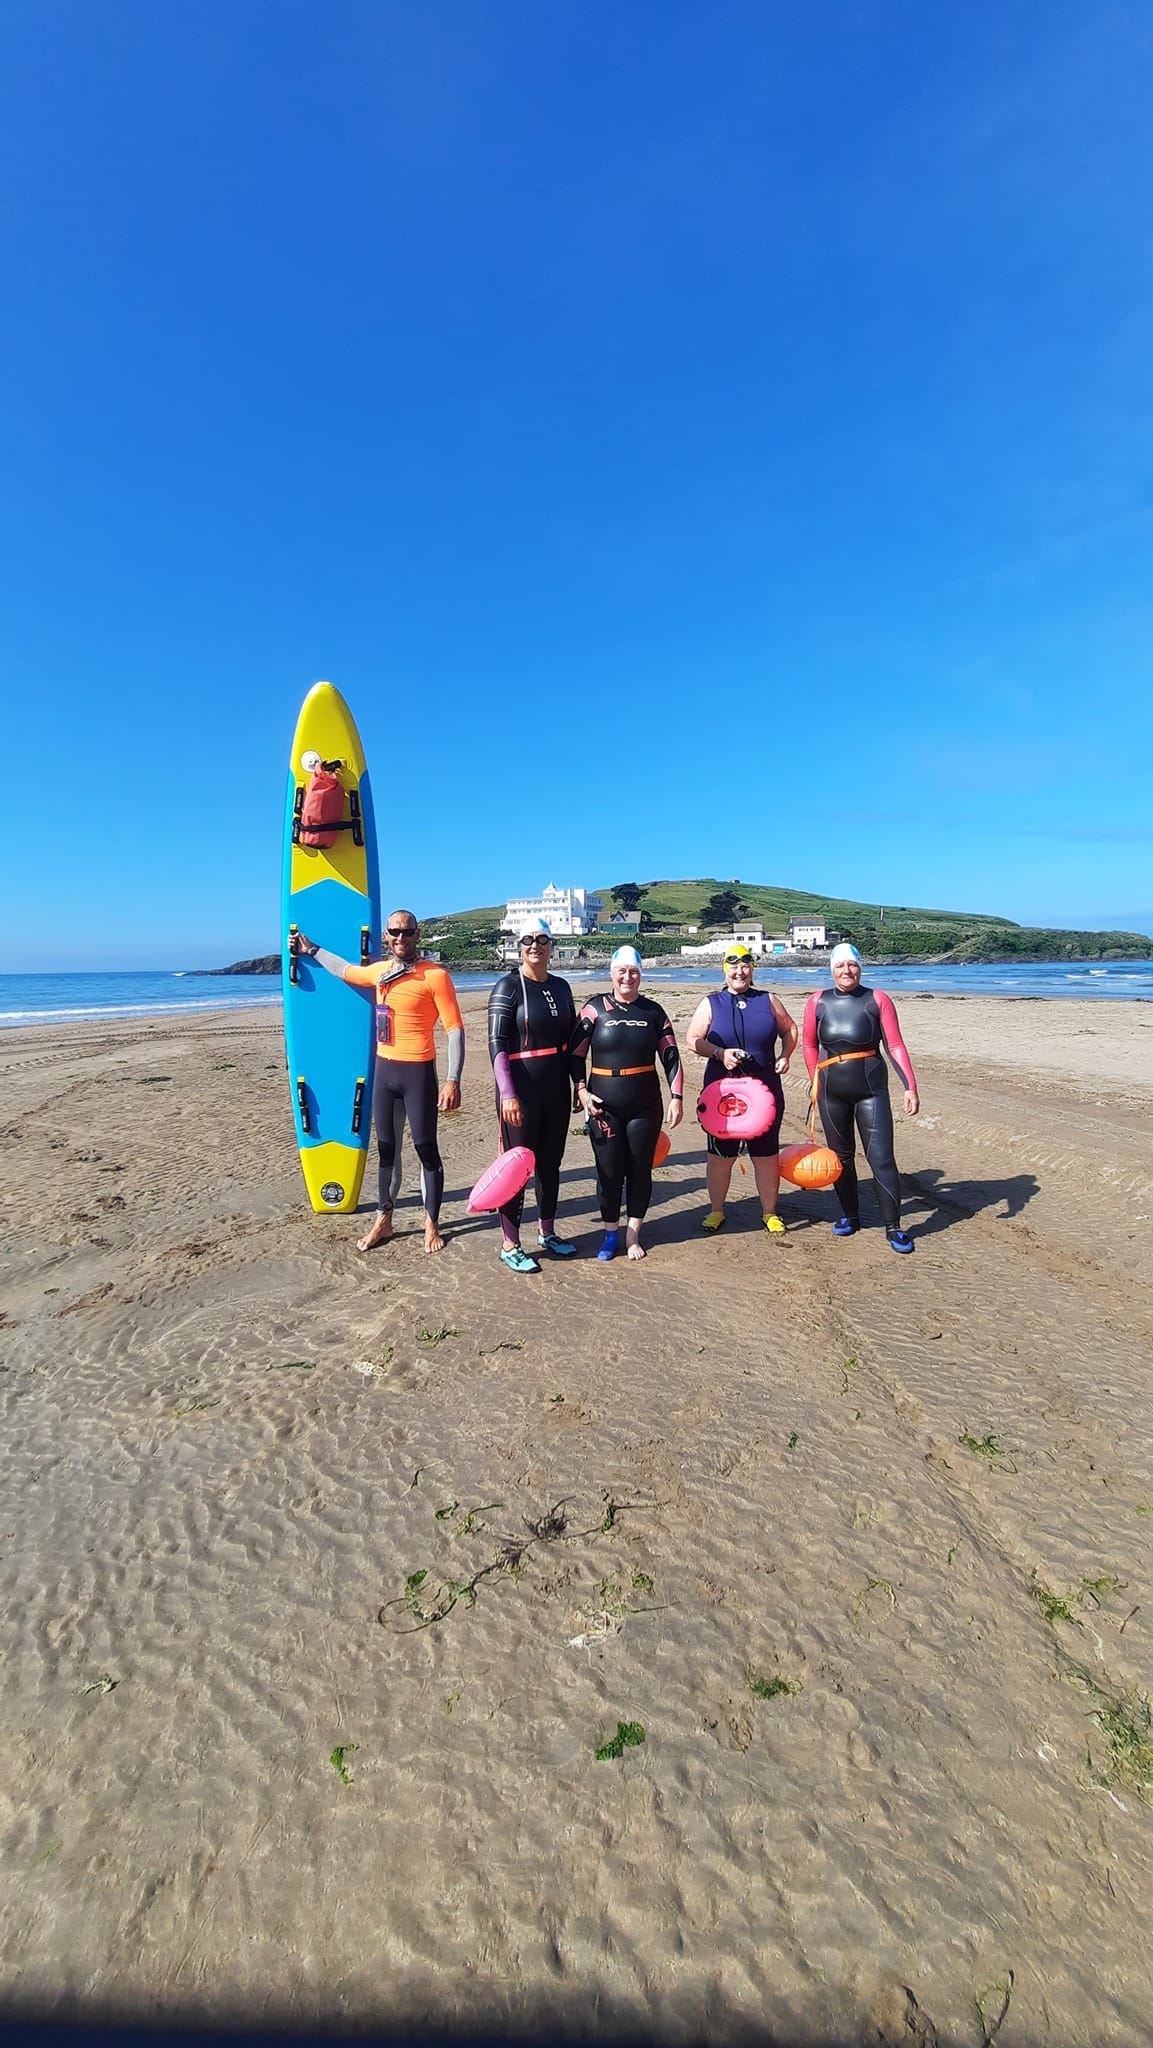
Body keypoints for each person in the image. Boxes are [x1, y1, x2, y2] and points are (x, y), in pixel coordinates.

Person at [288, 910, 463, 1254]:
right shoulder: (382, 972)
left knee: (426, 1149)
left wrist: (452, 1080)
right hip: (385, 1072)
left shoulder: (435, 976)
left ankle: (431, 1222)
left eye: (407, 931)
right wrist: (312, 950)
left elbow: (454, 1029)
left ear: (417, 934)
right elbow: (347, 972)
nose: (401, 937)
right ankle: (384, 1220)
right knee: (386, 1150)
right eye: (395, 932)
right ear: (386, 935)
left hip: (418, 1073)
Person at [802, 942, 919, 1253]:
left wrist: (910, 1086)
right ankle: (849, 1216)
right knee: (841, 1159)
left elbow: (895, 1046)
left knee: (881, 1158)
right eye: (840, 965)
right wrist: (815, 1079)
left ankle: (894, 1227)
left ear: (860, 967)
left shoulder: (876, 999)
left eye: (852, 965)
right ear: (831, 969)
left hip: (871, 1091)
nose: (846, 970)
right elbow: (809, 1045)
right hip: (830, 1091)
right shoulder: (817, 1001)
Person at [569, 945, 684, 1261]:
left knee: (639, 1170)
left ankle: (632, 1235)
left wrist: (677, 1097)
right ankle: (609, 1234)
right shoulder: (594, 1009)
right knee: (608, 1172)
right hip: (603, 1105)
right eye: (622, 971)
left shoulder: (653, 1012)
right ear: (612, 973)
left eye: (633, 971)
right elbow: (575, 1054)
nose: (627, 977)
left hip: (645, 1105)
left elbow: (671, 1057)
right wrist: (581, 1091)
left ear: (640, 974)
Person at [685, 943, 798, 1234]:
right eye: (733, 965)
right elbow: (693, 1039)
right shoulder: (712, 1002)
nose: (740, 970)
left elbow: (790, 1029)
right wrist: (719, 1053)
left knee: (766, 1154)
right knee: (721, 1156)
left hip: (765, 1091)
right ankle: (716, 1210)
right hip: (723, 1094)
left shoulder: (768, 1000)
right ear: (725, 970)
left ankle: (770, 1212)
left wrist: (785, 1055)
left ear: (752, 970)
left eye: (746, 965)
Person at [487, 918, 578, 1275]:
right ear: (518, 945)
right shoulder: (508, 986)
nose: (534, 945)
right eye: (527, 939)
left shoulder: (562, 986)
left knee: (550, 1164)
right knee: (517, 1169)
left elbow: (573, 1043)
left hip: (556, 1087)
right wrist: (507, 1094)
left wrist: (578, 1084)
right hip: (520, 1091)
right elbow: (495, 1044)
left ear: (552, 945)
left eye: (542, 939)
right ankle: (510, 1244)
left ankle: (548, 1231)